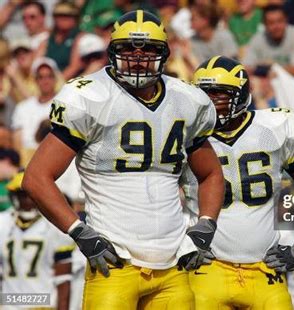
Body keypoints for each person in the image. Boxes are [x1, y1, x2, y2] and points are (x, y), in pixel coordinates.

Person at [22, 10, 225, 309]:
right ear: (113, 52)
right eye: (128, 48)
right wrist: (79, 231)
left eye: (149, 49)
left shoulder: (187, 100)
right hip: (115, 263)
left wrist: (206, 222)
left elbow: (211, 173)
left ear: (164, 54)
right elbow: (36, 177)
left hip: (173, 265)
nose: (138, 57)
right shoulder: (90, 96)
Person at [182, 56, 294, 309]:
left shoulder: (275, 128)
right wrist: (181, 241)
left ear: (242, 94)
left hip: (265, 269)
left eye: (221, 94)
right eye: (205, 94)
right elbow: (153, 190)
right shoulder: (184, 133)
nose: (211, 102)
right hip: (206, 268)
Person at [0, 171, 75, 310]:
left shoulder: (54, 226)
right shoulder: (3, 223)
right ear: (14, 196)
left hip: (42, 304)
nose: (27, 200)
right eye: (22, 195)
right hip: (8, 304)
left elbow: (63, 279)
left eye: (30, 195)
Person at [11, 57, 61, 166]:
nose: (45, 81)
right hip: (26, 159)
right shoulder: (22, 107)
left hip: (53, 158)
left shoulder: (64, 104)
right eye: (41, 77)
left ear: (55, 78)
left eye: (49, 76)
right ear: (35, 80)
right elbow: (17, 140)